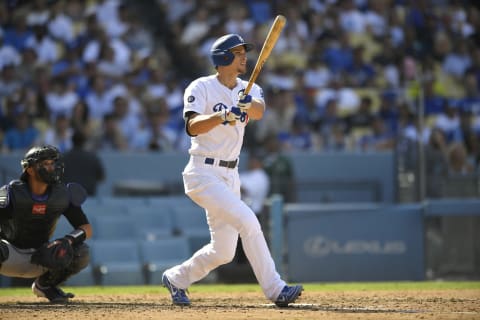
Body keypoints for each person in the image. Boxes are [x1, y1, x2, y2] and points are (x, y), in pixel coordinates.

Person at [161, 34, 303, 307]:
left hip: (230, 175)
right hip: (202, 172)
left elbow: (259, 111)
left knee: (223, 251)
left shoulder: (249, 88)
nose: (244, 57)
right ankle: (276, 289)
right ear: (223, 57)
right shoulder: (200, 86)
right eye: (238, 53)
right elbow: (192, 126)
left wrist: (246, 102)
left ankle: (177, 278)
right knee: (248, 221)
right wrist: (224, 115)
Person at [0, 145, 92, 303]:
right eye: (45, 164)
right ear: (29, 170)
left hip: (42, 256)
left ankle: (45, 286)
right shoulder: (11, 194)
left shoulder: (63, 194)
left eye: (52, 163)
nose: (51, 168)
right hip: (8, 255)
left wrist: (67, 240)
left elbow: (86, 228)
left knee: (81, 252)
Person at [63, 131, 105, 196]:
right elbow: (101, 177)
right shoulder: (92, 158)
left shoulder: (63, 158)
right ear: (84, 141)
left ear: (72, 141)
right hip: (89, 197)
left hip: (69, 198)